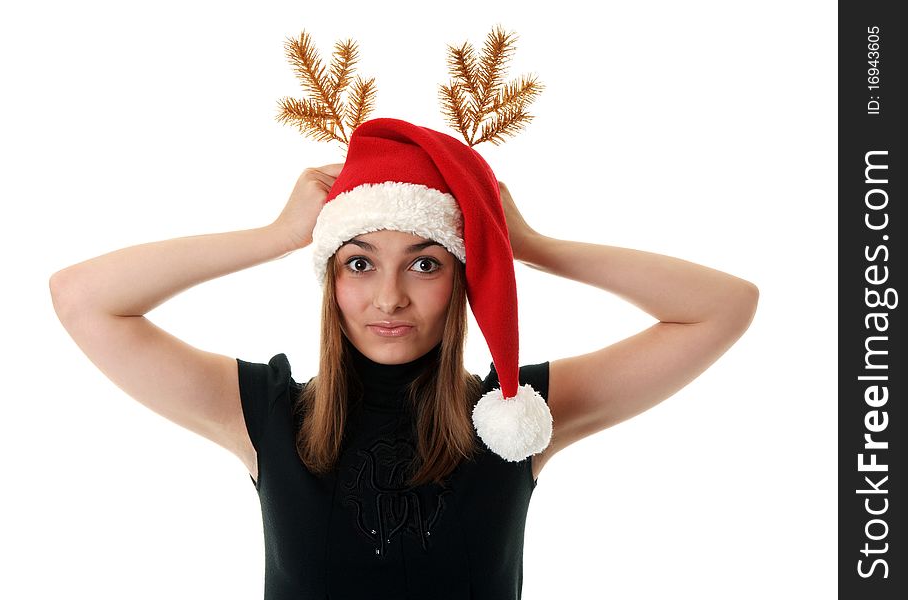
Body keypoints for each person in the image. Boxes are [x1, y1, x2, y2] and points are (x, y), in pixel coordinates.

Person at [50, 118, 758, 599]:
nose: (388, 297)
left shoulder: (516, 419)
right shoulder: (266, 414)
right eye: (359, 263)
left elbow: (723, 307)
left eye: (424, 263)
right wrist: (277, 235)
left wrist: (526, 244)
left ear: (461, 275)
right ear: (330, 277)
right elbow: (83, 299)